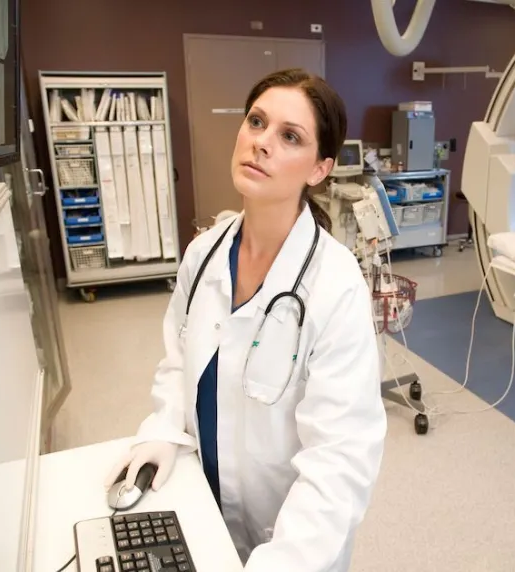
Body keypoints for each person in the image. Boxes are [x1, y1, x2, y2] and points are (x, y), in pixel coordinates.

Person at [105, 68, 387, 571]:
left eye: (290, 136)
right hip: (203, 508)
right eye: (256, 122)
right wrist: (163, 429)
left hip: (293, 543)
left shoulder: (336, 284)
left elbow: (339, 460)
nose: (262, 142)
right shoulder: (204, 253)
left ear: (319, 169)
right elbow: (178, 360)